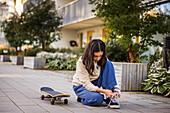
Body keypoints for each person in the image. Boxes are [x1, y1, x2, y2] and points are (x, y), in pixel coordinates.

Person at [72, 39, 121, 108]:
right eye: (95, 56)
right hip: (81, 86)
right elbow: (87, 84)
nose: (98, 58)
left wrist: (115, 89)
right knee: (98, 99)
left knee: (108, 64)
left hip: (95, 82)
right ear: (90, 53)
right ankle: (82, 98)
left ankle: (110, 97)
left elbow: (110, 74)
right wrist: (104, 91)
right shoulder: (81, 62)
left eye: (100, 55)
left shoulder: (103, 59)